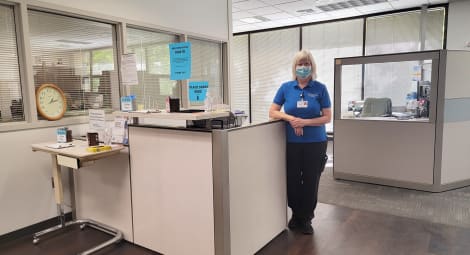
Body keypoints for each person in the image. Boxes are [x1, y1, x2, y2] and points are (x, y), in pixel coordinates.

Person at [269, 49, 331, 235]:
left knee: (311, 180)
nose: (303, 67)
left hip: (315, 142)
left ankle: (306, 218)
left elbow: (327, 117)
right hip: (292, 143)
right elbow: (273, 111)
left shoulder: (320, 88)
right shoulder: (286, 88)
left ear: (312, 67)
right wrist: (291, 119)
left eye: (306, 64)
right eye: (300, 64)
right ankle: (296, 215)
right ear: (294, 67)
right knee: (293, 180)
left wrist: (305, 122)